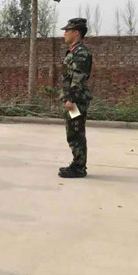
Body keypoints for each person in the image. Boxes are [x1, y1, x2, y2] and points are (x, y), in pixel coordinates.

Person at [59, 18, 93, 178]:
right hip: (73, 99)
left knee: (76, 133)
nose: (64, 33)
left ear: (76, 32)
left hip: (76, 101)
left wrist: (71, 99)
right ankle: (77, 163)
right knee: (73, 132)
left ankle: (79, 168)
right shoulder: (74, 51)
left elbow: (78, 78)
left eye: (67, 30)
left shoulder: (81, 53)